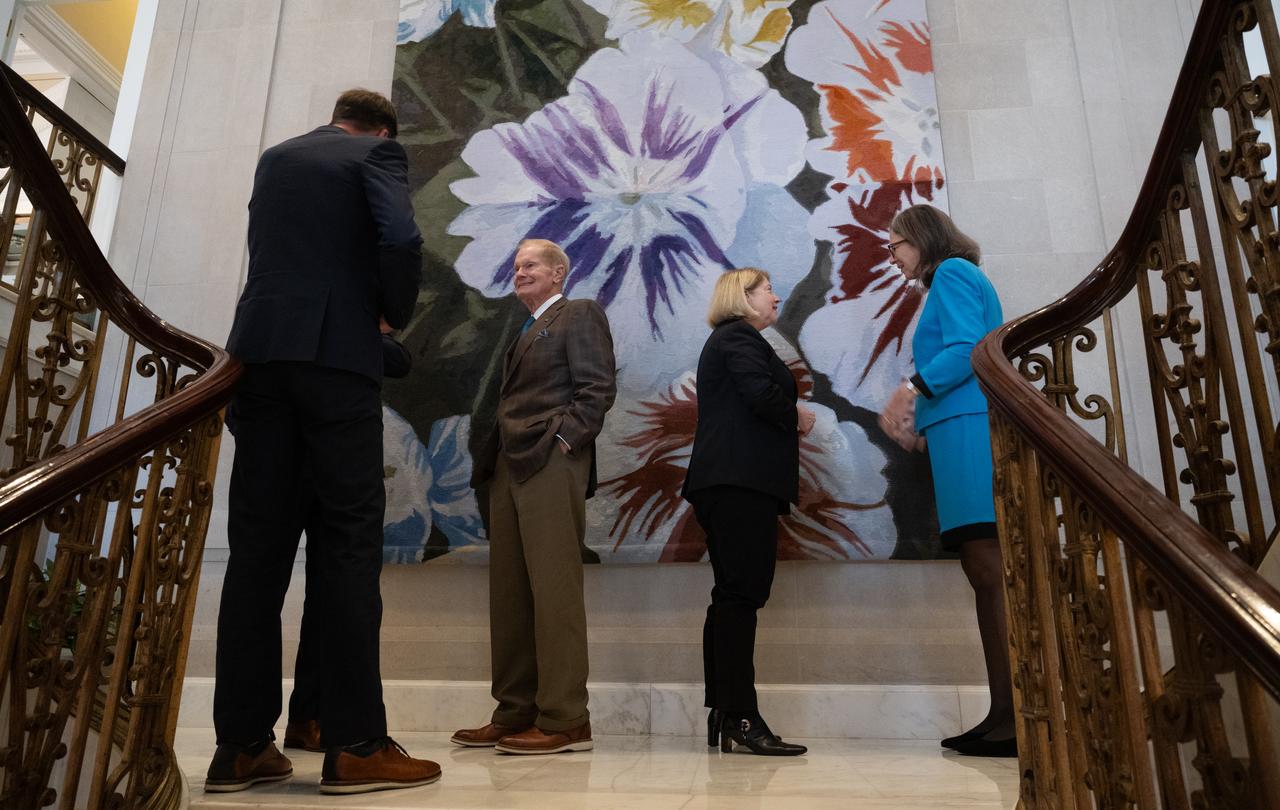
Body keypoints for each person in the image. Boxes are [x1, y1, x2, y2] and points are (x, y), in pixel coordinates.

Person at [208, 89, 441, 795]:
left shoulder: (277, 159)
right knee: (348, 548)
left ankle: (243, 746)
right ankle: (357, 745)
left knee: (256, 556)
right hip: (335, 364)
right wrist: (389, 315)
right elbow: (400, 239)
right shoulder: (376, 154)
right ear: (382, 130)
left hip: (258, 361)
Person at [453, 238, 616, 755]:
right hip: (507, 465)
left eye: (531, 265)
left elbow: (597, 389)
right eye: (517, 265)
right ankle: (514, 711)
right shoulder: (523, 327)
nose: (519, 271)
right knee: (510, 593)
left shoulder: (579, 312)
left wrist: (563, 441)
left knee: (553, 590)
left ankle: (566, 719)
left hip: (549, 461)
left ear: (558, 272)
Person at [877, 204, 1014, 758]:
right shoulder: (949, 281)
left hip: (970, 432)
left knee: (988, 567)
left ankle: (1014, 719)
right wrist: (925, 430)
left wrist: (910, 389)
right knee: (981, 569)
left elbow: (966, 349)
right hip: (956, 433)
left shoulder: (953, 271)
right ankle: (1001, 714)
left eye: (895, 246)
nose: (892, 257)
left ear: (922, 238)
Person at [681, 268, 814, 756]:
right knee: (741, 596)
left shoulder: (731, 339)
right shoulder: (738, 336)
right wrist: (796, 413)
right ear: (743, 297)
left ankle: (727, 709)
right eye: (768, 290)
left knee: (731, 597)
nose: (776, 298)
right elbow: (760, 394)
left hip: (729, 484)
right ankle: (741, 715)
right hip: (739, 484)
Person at [281, 330, 414, 755]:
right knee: (340, 592)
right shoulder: (340, 321)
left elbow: (399, 359)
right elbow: (397, 357)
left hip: (300, 464)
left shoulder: (280, 321)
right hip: (331, 469)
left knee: (321, 597)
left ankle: (303, 718)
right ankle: (351, 739)